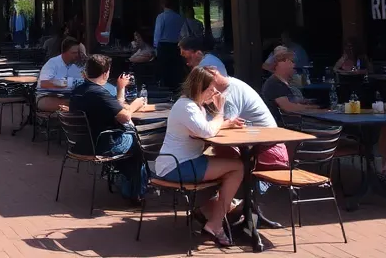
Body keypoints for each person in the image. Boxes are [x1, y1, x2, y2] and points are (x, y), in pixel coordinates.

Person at [155, 66, 246, 247]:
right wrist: (220, 112)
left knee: (231, 161)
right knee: (238, 167)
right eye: (211, 89)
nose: (214, 94)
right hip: (178, 166)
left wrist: (226, 123)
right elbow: (207, 131)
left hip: (179, 162)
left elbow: (203, 129)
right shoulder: (187, 106)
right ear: (199, 88)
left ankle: (210, 211)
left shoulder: (194, 106)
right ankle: (215, 223)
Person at [211, 70, 284, 229]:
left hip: (270, 152)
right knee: (229, 159)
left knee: (232, 162)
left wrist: (216, 113)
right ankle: (228, 207)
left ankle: (227, 208)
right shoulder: (230, 87)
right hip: (262, 148)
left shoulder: (229, 94)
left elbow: (225, 126)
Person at [69, 54, 147, 199]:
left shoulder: (77, 91)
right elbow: (125, 117)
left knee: (129, 139)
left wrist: (120, 89)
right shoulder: (99, 93)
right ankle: (136, 191)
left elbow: (115, 108)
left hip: (81, 144)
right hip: (103, 145)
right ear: (106, 73)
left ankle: (127, 183)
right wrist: (135, 105)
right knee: (138, 141)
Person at [261, 48, 324, 126]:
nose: (294, 65)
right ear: (282, 63)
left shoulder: (283, 83)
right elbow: (289, 108)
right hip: (284, 127)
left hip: (294, 124)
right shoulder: (274, 83)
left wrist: (306, 102)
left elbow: (291, 101)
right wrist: (316, 110)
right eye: (292, 61)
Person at [37, 37, 86, 112]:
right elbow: (44, 83)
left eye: (78, 53)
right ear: (64, 53)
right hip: (50, 96)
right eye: (74, 53)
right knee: (69, 104)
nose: (77, 55)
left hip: (75, 96)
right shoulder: (52, 63)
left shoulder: (80, 64)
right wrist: (69, 83)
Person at [153, 1, 186, 87]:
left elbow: (158, 32)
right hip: (176, 45)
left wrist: (155, 46)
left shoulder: (161, 17)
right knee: (174, 67)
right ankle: (175, 86)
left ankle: (165, 86)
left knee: (164, 67)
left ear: (163, 5)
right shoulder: (179, 17)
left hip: (164, 45)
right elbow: (183, 33)